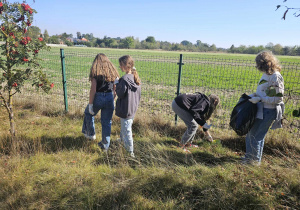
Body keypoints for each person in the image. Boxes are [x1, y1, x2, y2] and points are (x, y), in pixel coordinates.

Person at [243, 51, 284, 165]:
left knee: (255, 136)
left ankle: (253, 162)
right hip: (262, 109)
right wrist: (255, 95)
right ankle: (251, 158)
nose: (258, 67)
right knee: (254, 135)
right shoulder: (267, 74)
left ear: (263, 64)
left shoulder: (275, 76)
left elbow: (278, 98)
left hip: (268, 110)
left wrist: (260, 99)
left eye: (258, 65)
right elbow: (264, 92)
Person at [82, 53, 119, 151]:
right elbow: (115, 88)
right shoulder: (112, 73)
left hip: (98, 97)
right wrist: (113, 98)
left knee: (88, 113)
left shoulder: (95, 73)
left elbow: (93, 90)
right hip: (109, 97)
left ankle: (90, 134)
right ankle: (105, 145)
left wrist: (91, 104)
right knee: (107, 122)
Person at [115, 55, 141, 158]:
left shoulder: (124, 79)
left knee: (127, 130)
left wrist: (117, 83)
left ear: (127, 65)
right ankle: (122, 141)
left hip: (125, 108)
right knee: (125, 127)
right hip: (132, 108)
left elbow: (120, 94)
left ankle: (130, 153)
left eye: (121, 65)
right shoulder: (135, 77)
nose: (120, 67)